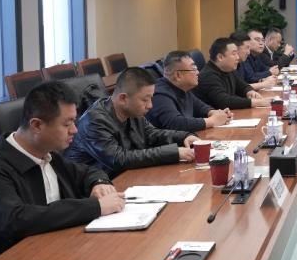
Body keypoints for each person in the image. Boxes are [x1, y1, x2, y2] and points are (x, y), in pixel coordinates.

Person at [0, 82, 125, 260]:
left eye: (74, 121)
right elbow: (17, 220)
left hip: (55, 254)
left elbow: (87, 171)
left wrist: (99, 182)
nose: (75, 130)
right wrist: (95, 207)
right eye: (67, 123)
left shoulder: (47, 154)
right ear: (37, 125)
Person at [66, 67, 199, 177]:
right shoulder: (94, 121)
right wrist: (174, 152)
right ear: (123, 98)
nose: (150, 105)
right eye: (145, 100)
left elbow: (152, 134)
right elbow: (119, 159)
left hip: (126, 176)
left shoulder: (132, 111)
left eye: (151, 98)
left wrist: (184, 136)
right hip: (96, 187)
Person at [146, 50, 232, 132]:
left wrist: (216, 113)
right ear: (178, 75)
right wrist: (212, 121)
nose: (198, 72)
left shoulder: (183, 88)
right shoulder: (159, 94)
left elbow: (201, 107)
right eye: (193, 69)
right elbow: (175, 123)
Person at [196, 37, 272, 109]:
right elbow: (224, 101)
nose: (237, 57)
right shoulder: (208, 76)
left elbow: (242, 86)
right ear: (220, 57)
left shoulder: (228, 69)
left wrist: (250, 92)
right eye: (234, 54)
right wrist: (256, 102)